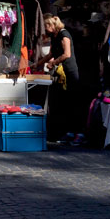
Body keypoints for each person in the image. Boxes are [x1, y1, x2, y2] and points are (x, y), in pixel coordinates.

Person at [34, 15, 84, 145]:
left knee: (74, 102)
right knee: (64, 102)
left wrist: (53, 62)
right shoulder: (54, 36)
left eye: (46, 26)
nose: (45, 29)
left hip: (70, 72)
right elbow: (51, 53)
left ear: (52, 25)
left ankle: (79, 133)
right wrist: (37, 64)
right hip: (61, 73)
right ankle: (68, 132)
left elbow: (67, 54)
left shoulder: (64, 34)